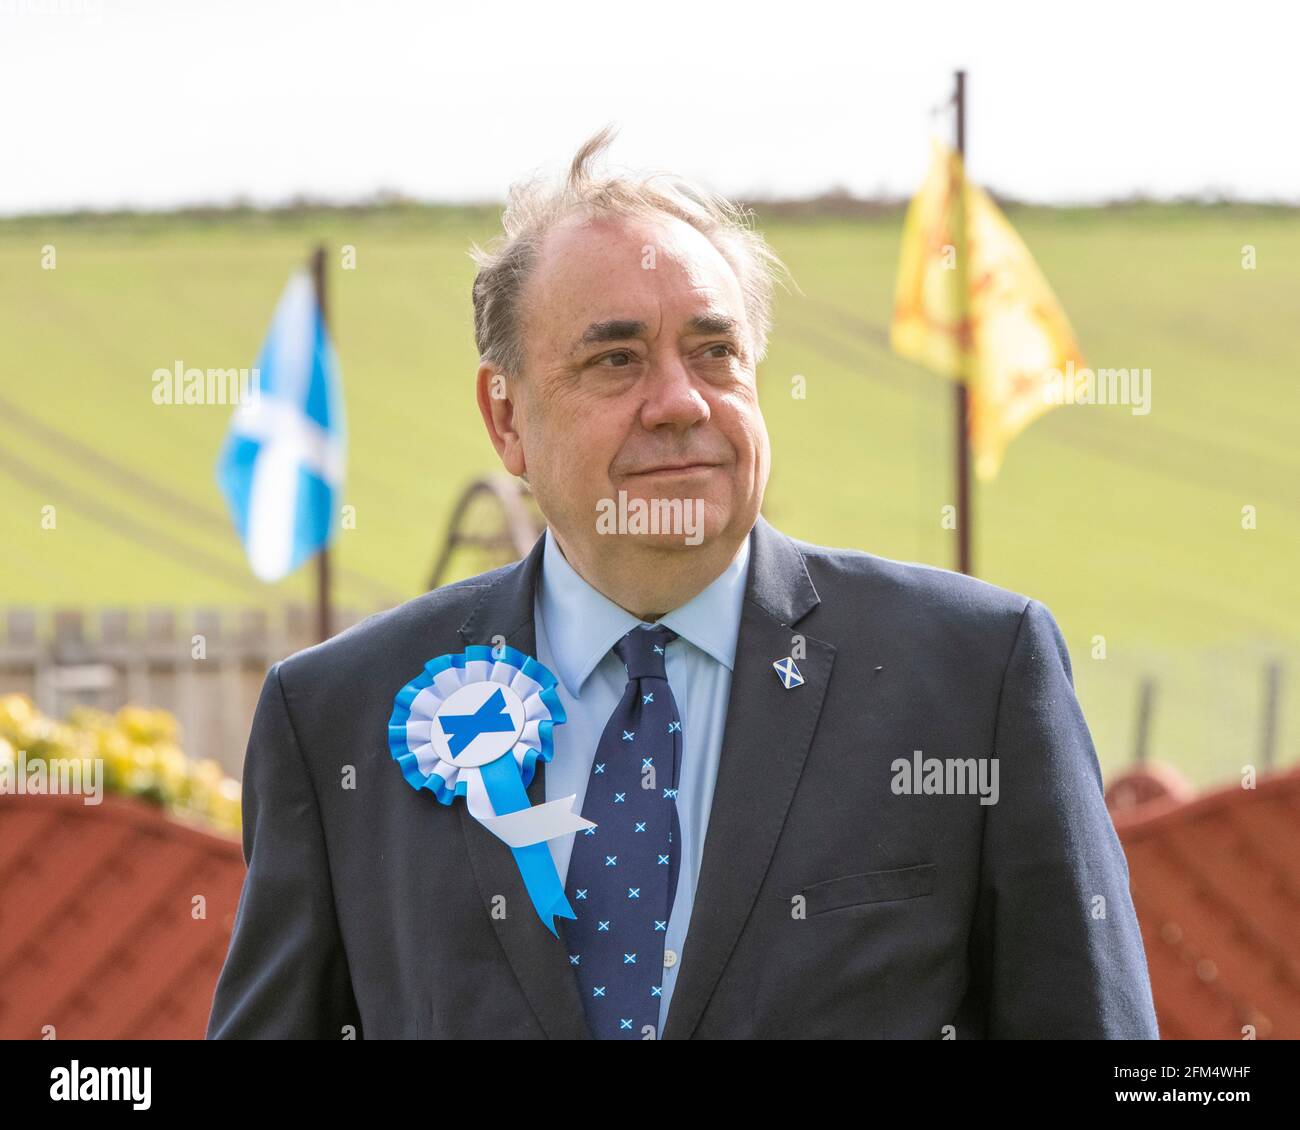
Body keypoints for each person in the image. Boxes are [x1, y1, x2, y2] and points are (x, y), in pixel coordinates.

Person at [206, 127, 1159, 1040]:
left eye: (714, 352)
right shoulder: (334, 720)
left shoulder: (974, 679)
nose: (680, 401)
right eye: (615, 359)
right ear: (506, 419)